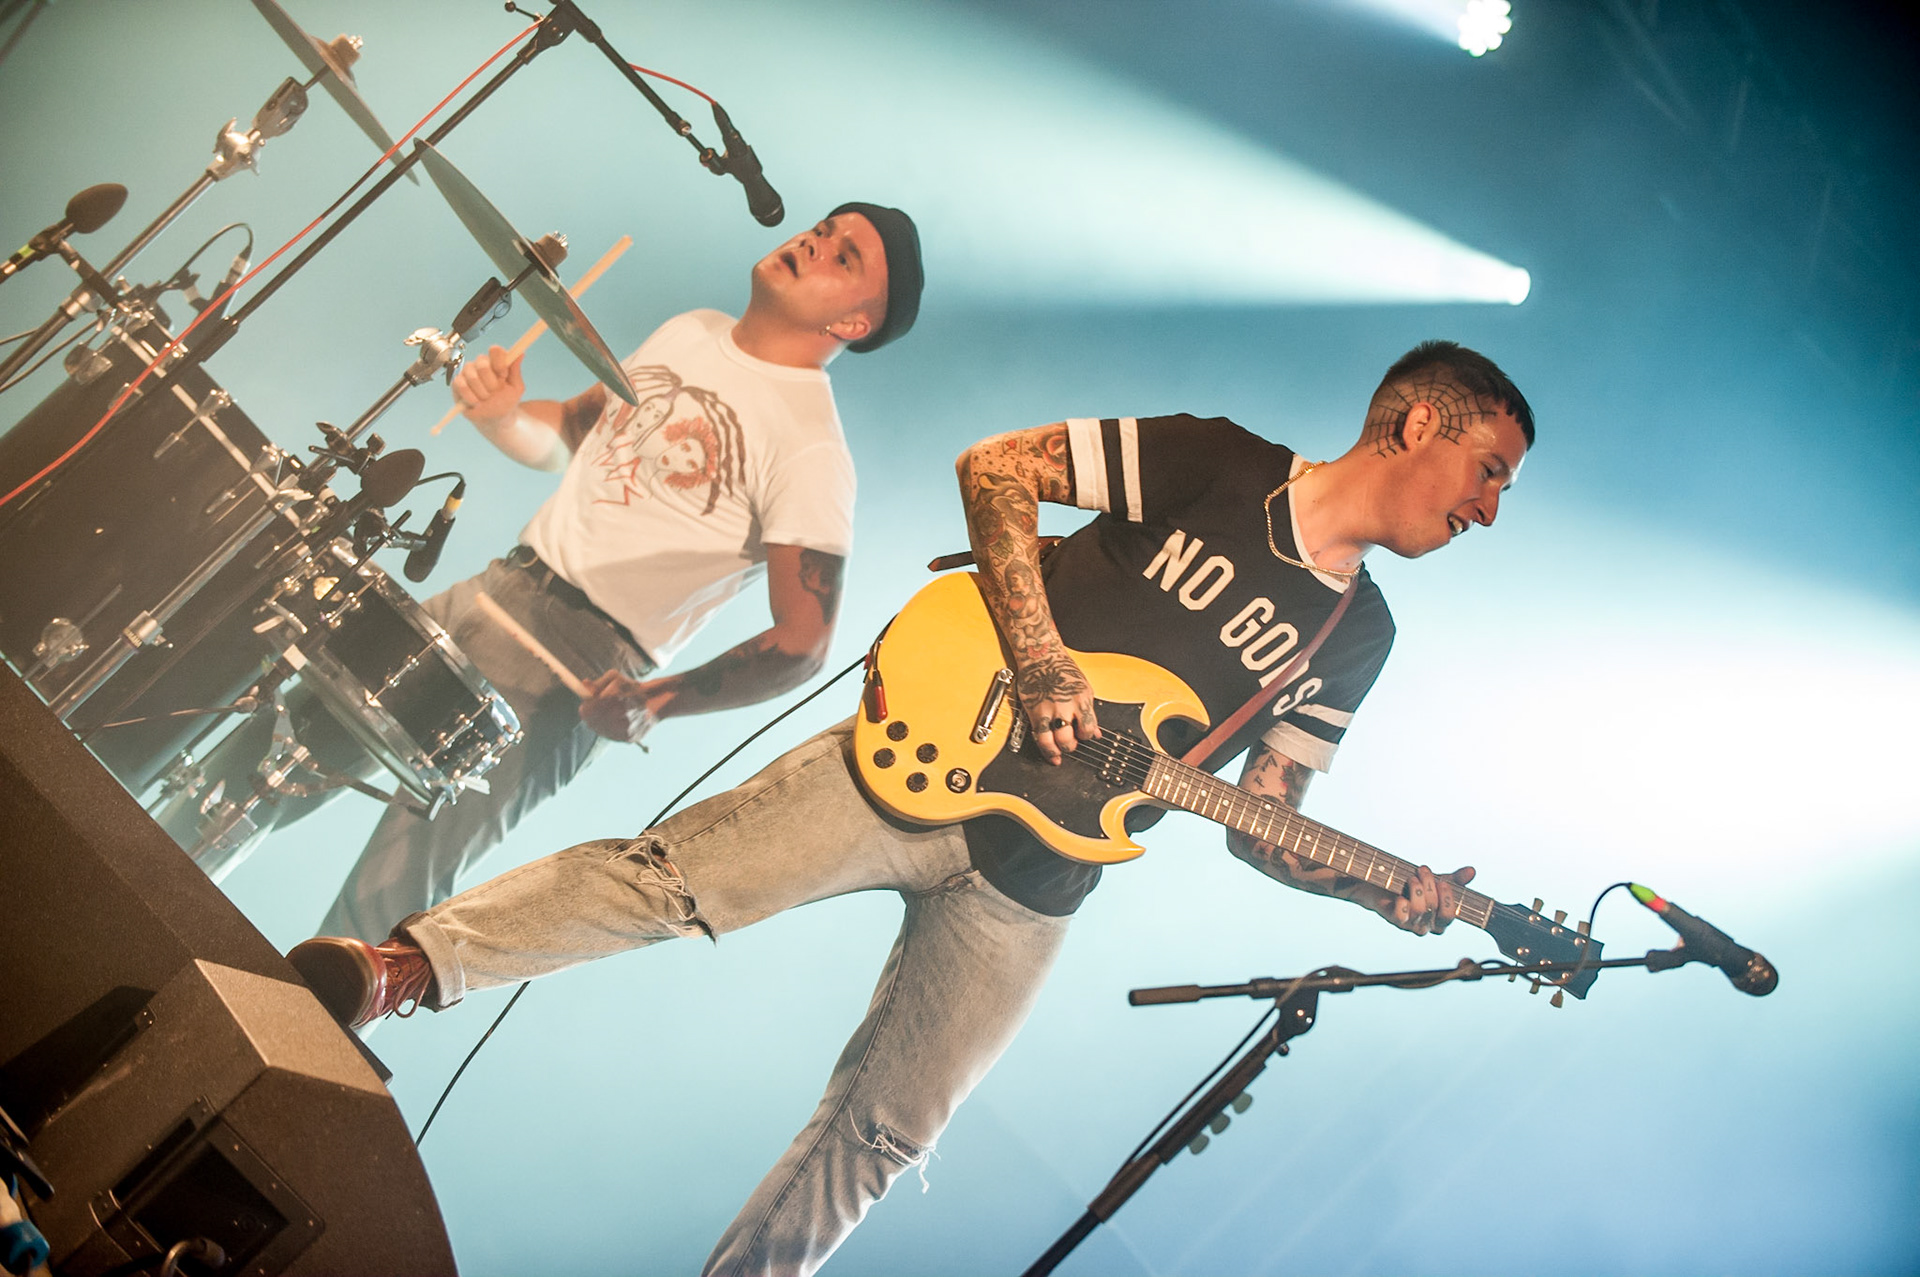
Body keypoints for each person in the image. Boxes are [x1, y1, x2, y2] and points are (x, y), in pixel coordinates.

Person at [290, 341, 1534, 1275]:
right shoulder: (1221, 459)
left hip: (1042, 876)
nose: (1489, 508)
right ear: (1417, 419)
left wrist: (1381, 891)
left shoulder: (1355, 631)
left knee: (885, 1133)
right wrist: (1042, 658)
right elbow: (999, 468)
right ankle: (404, 967)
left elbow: (1269, 811)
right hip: (939, 738)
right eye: (1489, 469)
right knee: (672, 880)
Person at [172, 202, 924, 944]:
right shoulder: (691, 329)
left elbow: (805, 641)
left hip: (577, 661)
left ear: (855, 323)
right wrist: (504, 415)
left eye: (844, 256)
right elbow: (570, 433)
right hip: (497, 586)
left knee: (385, 898)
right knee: (280, 748)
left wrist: (656, 700)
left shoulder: (811, 447)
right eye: (824, 228)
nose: (816, 242)